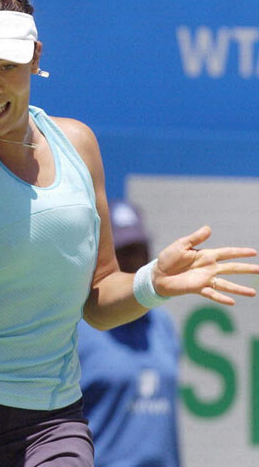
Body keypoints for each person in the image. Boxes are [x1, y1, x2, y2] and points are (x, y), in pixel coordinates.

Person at [0, 0, 259, 467]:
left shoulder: (79, 144)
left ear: (36, 57)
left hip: (50, 422)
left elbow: (99, 298)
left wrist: (153, 282)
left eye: (7, 67)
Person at [77, 200, 182, 467]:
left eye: (139, 250)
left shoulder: (162, 324)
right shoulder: (79, 328)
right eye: (122, 252)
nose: (134, 261)